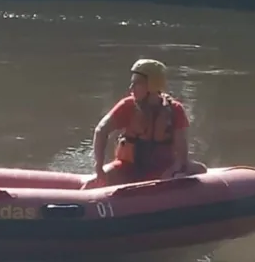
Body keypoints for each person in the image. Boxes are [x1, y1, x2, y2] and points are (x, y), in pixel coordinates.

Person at [89, 59, 207, 187]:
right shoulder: (127, 106)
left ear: (152, 85)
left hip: (162, 169)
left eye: (137, 83)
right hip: (128, 168)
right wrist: (99, 167)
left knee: (200, 169)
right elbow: (101, 130)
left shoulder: (174, 110)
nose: (131, 88)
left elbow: (181, 154)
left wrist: (174, 170)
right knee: (93, 183)